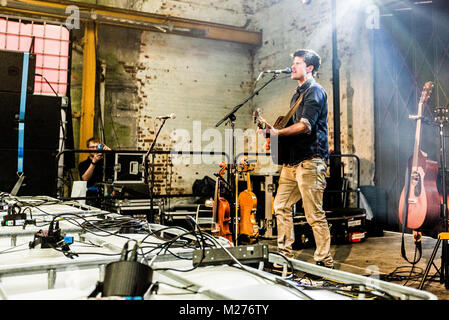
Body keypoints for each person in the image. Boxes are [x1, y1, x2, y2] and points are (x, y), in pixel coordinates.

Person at [261, 49, 334, 268]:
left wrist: (278, 134)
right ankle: (284, 254)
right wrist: (274, 138)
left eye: (297, 63)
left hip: (310, 162)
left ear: (309, 68)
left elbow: (305, 126)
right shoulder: (298, 94)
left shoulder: (315, 92)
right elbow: (291, 128)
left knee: (314, 214)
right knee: (281, 206)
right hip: (292, 163)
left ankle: (324, 260)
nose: (292, 67)